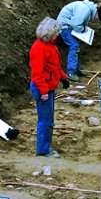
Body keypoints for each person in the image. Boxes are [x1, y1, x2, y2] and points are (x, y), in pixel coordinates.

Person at [29, 17, 69, 157]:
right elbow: (38, 73)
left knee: (48, 119)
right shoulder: (39, 49)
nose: (58, 35)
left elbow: (54, 66)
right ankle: (43, 150)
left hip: (49, 86)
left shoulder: (50, 46)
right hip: (43, 88)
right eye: (56, 32)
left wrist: (63, 77)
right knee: (46, 120)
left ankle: (45, 146)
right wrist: (44, 91)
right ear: (49, 33)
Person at [56, 0, 101, 81]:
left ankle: (76, 69)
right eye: (98, 19)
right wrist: (83, 30)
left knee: (77, 46)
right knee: (74, 46)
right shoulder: (85, 10)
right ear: (98, 14)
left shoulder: (88, 9)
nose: (96, 20)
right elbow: (75, 24)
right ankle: (71, 72)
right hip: (64, 26)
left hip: (69, 26)